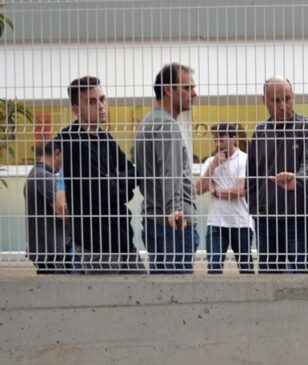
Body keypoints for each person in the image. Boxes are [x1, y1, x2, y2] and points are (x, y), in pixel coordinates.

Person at [59, 76, 144, 273]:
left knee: (143, 292)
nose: (101, 106)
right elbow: (104, 192)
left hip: (123, 240)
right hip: (96, 247)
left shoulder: (105, 137)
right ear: (76, 110)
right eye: (91, 101)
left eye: (102, 99)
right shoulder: (74, 142)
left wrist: (115, 182)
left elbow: (133, 171)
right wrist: (123, 187)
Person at [247, 77, 308, 273]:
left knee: (306, 278)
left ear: (293, 97)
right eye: (276, 100)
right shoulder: (260, 132)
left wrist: (295, 179)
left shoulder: (307, 128)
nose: (283, 106)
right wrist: (255, 210)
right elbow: (252, 175)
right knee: (268, 280)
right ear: (264, 100)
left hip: (300, 218)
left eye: (287, 99)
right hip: (266, 222)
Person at [134, 63, 199, 274]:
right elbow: (170, 173)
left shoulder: (149, 122)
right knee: (179, 296)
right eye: (187, 88)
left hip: (155, 220)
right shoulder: (166, 125)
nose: (194, 94)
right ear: (169, 89)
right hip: (174, 225)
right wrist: (175, 210)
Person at [196, 122, 254, 274]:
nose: (218, 144)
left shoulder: (244, 159)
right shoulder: (211, 162)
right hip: (216, 222)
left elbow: (241, 190)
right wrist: (213, 166)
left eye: (222, 140)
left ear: (234, 138)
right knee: (214, 268)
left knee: (245, 267)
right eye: (216, 140)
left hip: (240, 222)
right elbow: (199, 189)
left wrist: (216, 192)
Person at [24, 140, 70, 273]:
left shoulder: (35, 173)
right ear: (57, 154)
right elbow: (61, 211)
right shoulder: (44, 177)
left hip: (44, 250)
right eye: (66, 158)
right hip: (51, 250)